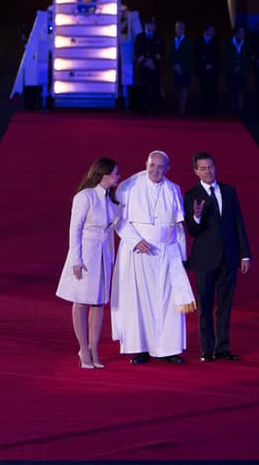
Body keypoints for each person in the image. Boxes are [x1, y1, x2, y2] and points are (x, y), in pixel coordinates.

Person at [110, 150, 196, 364]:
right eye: (152, 165)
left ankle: (168, 349)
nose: (156, 170)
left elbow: (177, 227)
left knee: (168, 302)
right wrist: (134, 240)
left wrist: (182, 257)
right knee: (139, 301)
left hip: (167, 254)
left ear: (167, 169)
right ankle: (142, 349)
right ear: (146, 164)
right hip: (138, 254)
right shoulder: (128, 187)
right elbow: (117, 220)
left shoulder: (173, 189)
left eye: (161, 167)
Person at [183, 152, 251, 362]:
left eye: (210, 167)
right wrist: (196, 215)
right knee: (205, 305)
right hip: (204, 259)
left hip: (229, 257)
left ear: (216, 167)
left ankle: (222, 348)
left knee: (225, 305)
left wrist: (245, 254)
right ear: (195, 171)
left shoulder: (229, 192)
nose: (208, 171)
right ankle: (207, 349)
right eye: (202, 168)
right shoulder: (191, 195)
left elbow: (238, 223)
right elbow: (192, 231)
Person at [56, 157, 121, 369]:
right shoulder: (85, 197)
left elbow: (114, 228)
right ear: (103, 175)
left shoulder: (112, 200)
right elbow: (74, 229)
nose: (118, 177)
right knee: (82, 301)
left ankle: (94, 348)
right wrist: (76, 259)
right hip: (86, 253)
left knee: (99, 301)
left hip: (104, 254)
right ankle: (83, 348)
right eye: (115, 174)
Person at [133, 16, 164, 115]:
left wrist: (153, 61)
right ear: (146, 25)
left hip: (155, 67)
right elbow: (137, 52)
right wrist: (146, 61)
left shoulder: (158, 36)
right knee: (144, 89)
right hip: (144, 67)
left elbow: (161, 51)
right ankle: (144, 110)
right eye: (152, 24)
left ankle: (156, 110)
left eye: (154, 25)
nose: (154, 26)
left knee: (156, 89)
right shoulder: (140, 37)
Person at [195, 24, 221, 116]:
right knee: (203, 90)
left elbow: (218, 55)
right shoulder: (198, 41)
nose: (213, 32)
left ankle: (212, 109)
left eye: (213, 30)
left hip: (213, 70)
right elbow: (196, 55)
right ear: (206, 31)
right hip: (202, 70)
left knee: (213, 90)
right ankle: (203, 109)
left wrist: (212, 64)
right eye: (211, 30)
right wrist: (204, 65)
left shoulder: (216, 41)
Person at [225, 25, 249, 116]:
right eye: (241, 32)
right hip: (231, 70)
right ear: (236, 33)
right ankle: (232, 109)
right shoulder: (229, 43)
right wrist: (234, 67)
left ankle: (240, 109)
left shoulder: (246, 43)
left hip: (242, 71)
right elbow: (228, 57)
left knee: (240, 90)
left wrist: (240, 66)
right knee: (232, 90)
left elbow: (246, 57)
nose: (243, 34)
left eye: (243, 32)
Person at [170, 20, 193, 115]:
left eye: (180, 27)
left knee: (184, 88)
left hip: (185, 68)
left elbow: (188, 55)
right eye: (177, 27)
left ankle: (182, 110)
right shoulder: (173, 41)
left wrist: (180, 65)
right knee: (178, 88)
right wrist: (175, 64)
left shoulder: (188, 41)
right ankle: (179, 107)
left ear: (184, 29)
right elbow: (171, 54)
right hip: (176, 68)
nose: (178, 29)